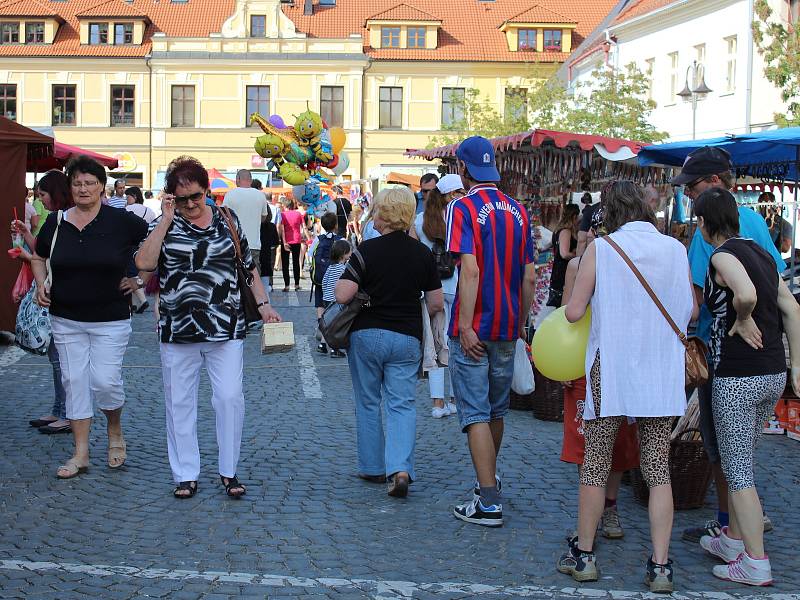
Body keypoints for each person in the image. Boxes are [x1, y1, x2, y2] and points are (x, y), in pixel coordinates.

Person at [559, 181, 697, 593]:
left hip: (612, 370)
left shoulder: (603, 249)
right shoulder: (675, 248)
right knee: (657, 470)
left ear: (610, 212)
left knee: (596, 465)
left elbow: (573, 311)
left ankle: (584, 555)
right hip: (659, 372)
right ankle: (660, 565)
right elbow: (689, 308)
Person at [135, 156, 281, 499]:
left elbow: (248, 267)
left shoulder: (226, 220)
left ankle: (228, 471)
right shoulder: (164, 223)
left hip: (226, 326)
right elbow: (143, 264)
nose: (189, 204)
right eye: (181, 199)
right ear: (170, 197)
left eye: (195, 197)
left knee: (230, 398)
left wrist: (264, 305)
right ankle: (185, 473)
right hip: (177, 327)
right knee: (179, 402)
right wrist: (166, 219)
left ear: (208, 192)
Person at [671, 146, 786, 544]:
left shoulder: (710, 232)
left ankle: (731, 528)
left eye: (694, 187)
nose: (688, 196)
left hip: (722, 356)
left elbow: (699, 299)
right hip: (767, 355)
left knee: (722, 449)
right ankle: (738, 522)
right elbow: (779, 290)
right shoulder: (753, 221)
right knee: (742, 448)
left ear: (715, 183)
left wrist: (740, 315)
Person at [693, 188, 800, 586]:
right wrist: (797, 368)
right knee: (744, 461)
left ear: (704, 223)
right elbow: (791, 308)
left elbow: (748, 294)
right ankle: (734, 539)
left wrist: (741, 316)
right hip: (771, 372)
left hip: (738, 375)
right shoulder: (761, 252)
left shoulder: (722, 255)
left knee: (738, 473)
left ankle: (755, 561)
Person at [30, 156, 149, 479]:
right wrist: (41, 283)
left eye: (90, 183)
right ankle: (80, 453)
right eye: (77, 183)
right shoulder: (55, 222)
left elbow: (155, 243)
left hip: (110, 317)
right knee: (74, 382)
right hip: (65, 317)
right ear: (70, 187)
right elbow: (38, 257)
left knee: (105, 382)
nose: (83, 189)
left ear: (102, 187)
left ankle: (114, 428)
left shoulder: (121, 220)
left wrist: (140, 278)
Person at [447, 136, 536, 527]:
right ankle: (491, 480)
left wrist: (465, 324)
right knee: (497, 409)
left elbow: (470, 269)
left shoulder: (462, 208)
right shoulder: (518, 211)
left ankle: (487, 501)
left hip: (476, 325)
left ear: (463, 169)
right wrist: (519, 324)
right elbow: (529, 276)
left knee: (475, 412)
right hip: (506, 324)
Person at [336, 186, 443, 497]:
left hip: (367, 333)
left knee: (368, 401)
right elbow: (436, 303)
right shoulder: (422, 253)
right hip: (407, 336)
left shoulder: (366, 250)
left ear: (382, 214)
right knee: (402, 404)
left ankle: (372, 467)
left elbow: (342, 294)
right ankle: (400, 468)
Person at [559, 203, 640, 541]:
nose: (594, 234)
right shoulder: (577, 265)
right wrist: (564, 361)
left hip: (619, 361)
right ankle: (591, 518)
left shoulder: (629, 262)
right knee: (584, 442)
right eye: (593, 229)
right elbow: (565, 313)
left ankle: (609, 506)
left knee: (619, 442)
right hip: (583, 361)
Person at [12, 170, 74, 435]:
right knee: (56, 358)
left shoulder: (64, 220)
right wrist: (27, 235)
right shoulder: (55, 220)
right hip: (55, 293)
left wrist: (27, 256)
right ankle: (60, 410)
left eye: (43, 195)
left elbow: (46, 259)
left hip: (62, 297)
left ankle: (68, 414)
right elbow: (42, 251)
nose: (41, 200)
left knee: (62, 360)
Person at [410, 177, 462, 418]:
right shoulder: (458, 219)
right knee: (454, 345)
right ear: (450, 195)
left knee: (435, 344)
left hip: (430, 288)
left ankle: (437, 403)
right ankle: (454, 399)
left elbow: (411, 252)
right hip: (455, 284)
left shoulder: (420, 221)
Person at [222, 169, 270, 272]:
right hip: (254, 244)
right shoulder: (260, 195)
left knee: (236, 275)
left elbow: (224, 217)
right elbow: (263, 217)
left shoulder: (230, 194)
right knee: (254, 277)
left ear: (237, 179)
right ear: (251, 180)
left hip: (234, 243)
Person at [312, 212, 342, 354]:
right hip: (336, 281)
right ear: (336, 225)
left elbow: (310, 254)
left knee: (320, 303)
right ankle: (331, 340)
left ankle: (321, 325)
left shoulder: (318, 239)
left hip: (320, 279)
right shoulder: (341, 240)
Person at [321, 239, 352, 358]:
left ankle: (323, 344)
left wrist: (326, 293)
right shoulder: (343, 269)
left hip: (327, 298)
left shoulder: (331, 267)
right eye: (349, 251)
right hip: (336, 300)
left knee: (328, 323)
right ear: (344, 254)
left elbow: (324, 282)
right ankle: (335, 349)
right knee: (336, 324)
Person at [547, 204, 579, 307]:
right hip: (562, 273)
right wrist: (578, 256)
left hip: (559, 272)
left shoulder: (558, 230)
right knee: (562, 306)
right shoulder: (566, 231)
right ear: (574, 216)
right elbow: (564, 254)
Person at [278, 195, 306, 292]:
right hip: (296, 240)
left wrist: (283, 241)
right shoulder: (298, 214)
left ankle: (286, 286)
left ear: (285, 206)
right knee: (295, 263)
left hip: (286, 241)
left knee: (285, 264)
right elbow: (304, 227)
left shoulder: (282, 215)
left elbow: (282, 229)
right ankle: (297, 285)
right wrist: (307, 237)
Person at [259, 198, 279, 292]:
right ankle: (270, 285)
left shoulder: (256, 225)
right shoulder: (271, 226)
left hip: (258, 253)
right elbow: (275, 241)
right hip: (268, 253)